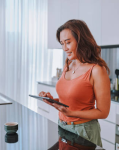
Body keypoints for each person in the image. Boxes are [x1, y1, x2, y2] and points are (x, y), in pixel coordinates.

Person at [39, 19, 111, 147]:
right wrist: (53, 100)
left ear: (81, 40)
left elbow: (103, 112)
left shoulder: (96, 70)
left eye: (68, 42)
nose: (64, 48)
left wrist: (71, 113)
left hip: (83, 131)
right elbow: (71, 101)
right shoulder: (68, 64)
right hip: (63, 126)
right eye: (62, 43)